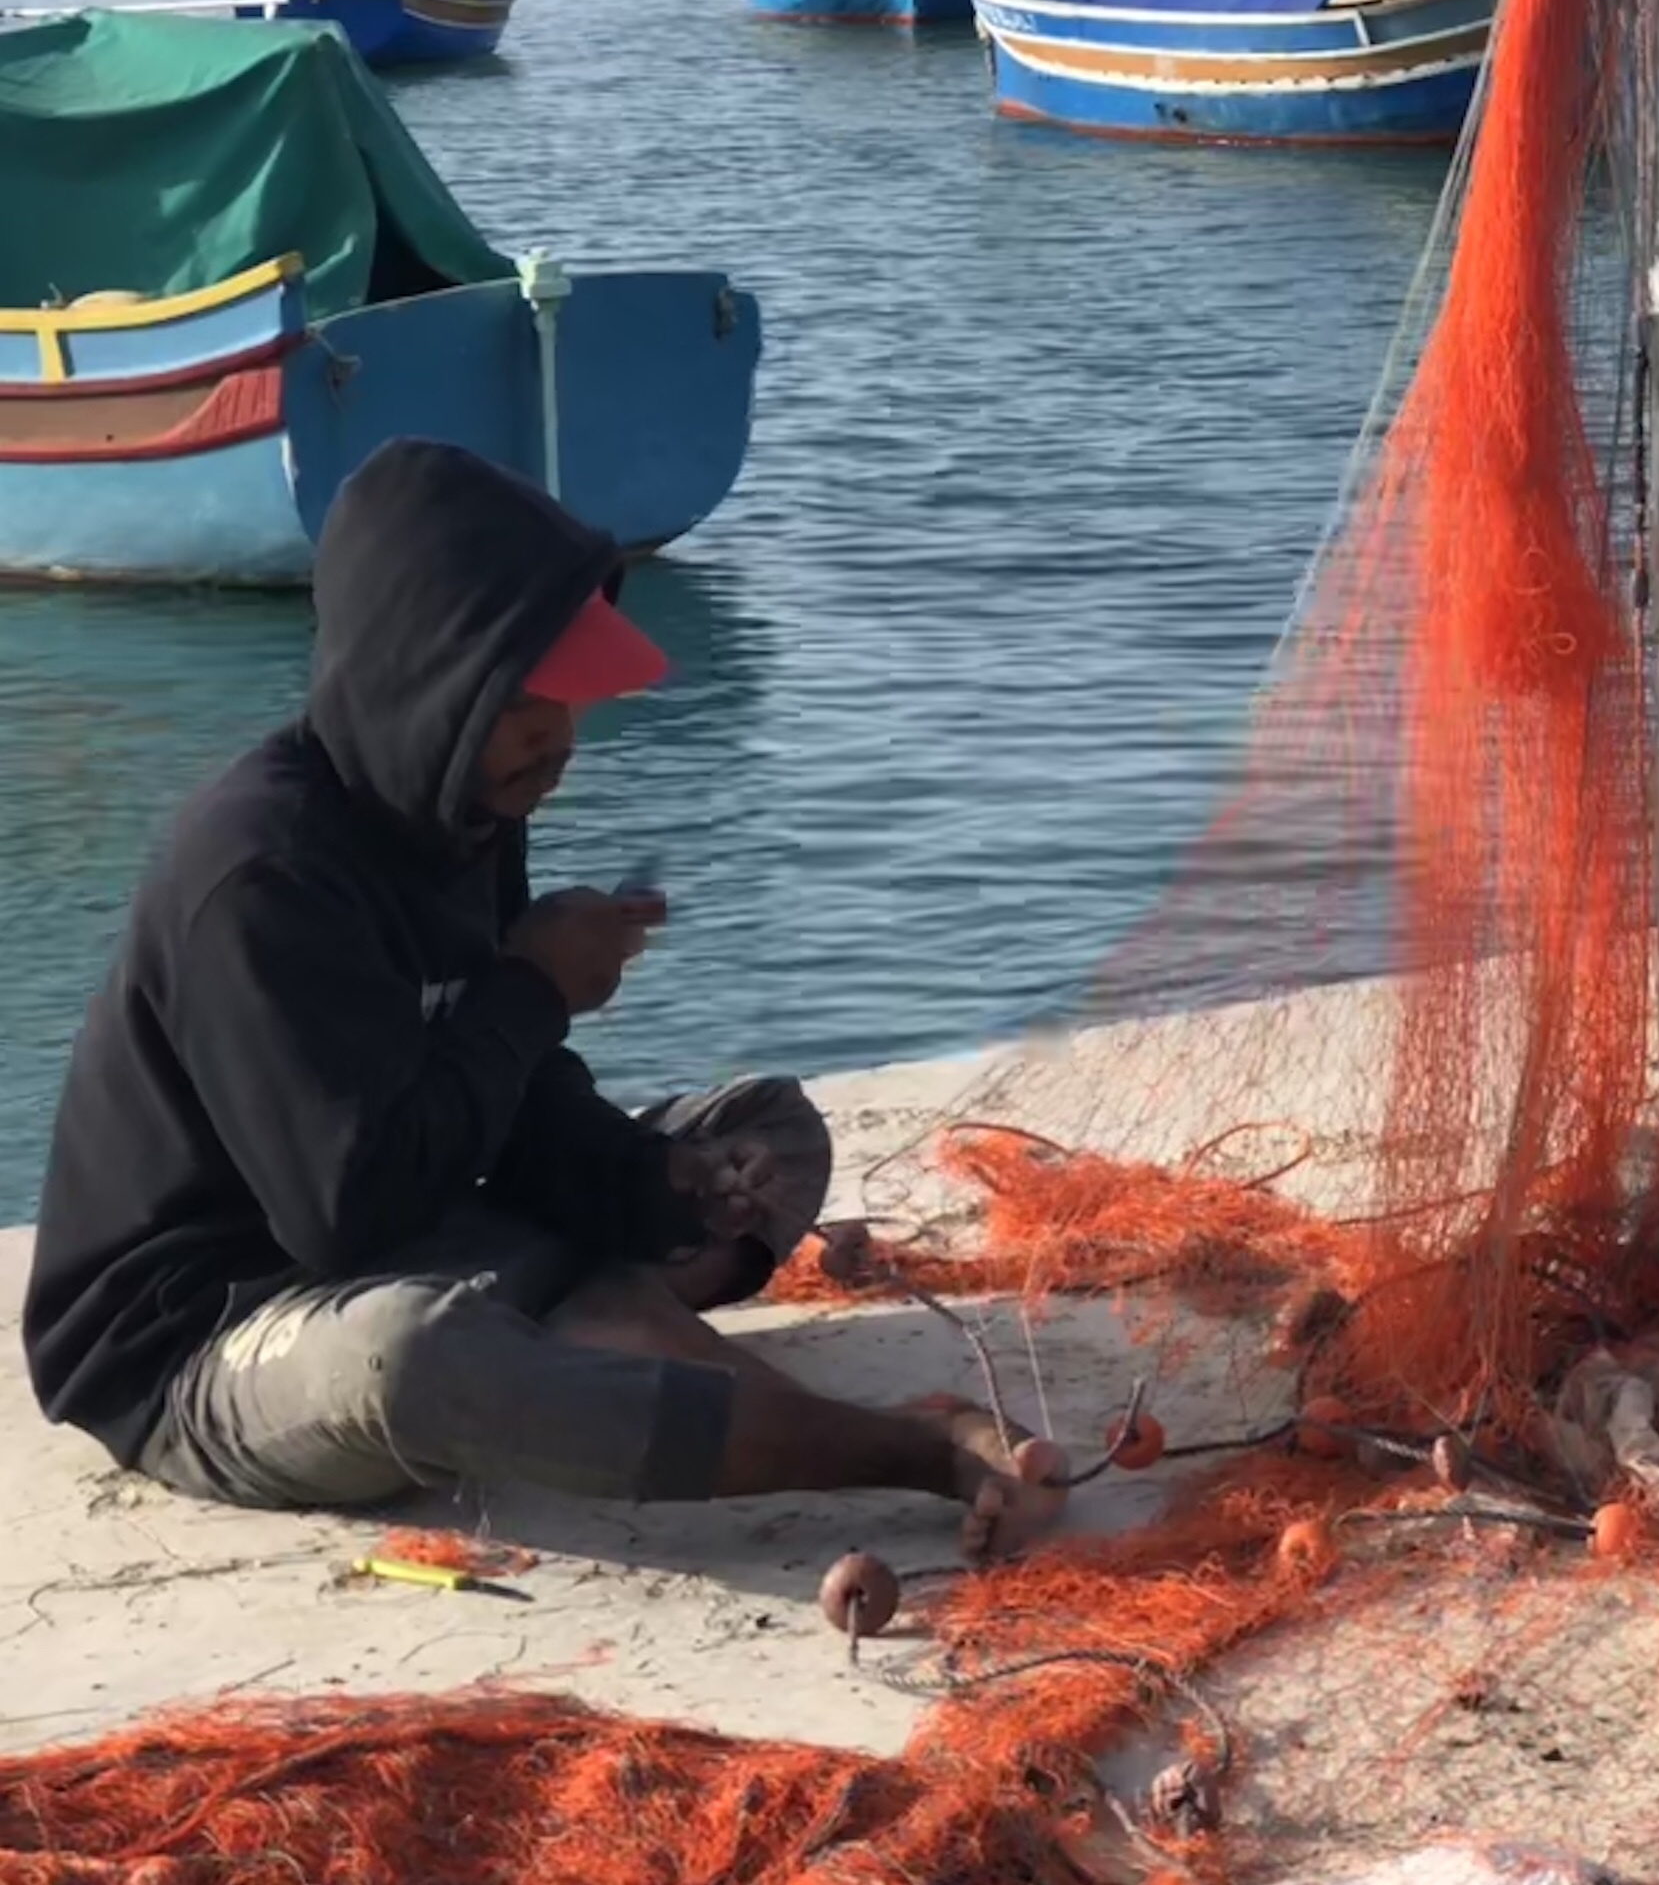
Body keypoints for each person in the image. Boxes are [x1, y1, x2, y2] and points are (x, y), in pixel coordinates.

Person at [21, 440, 1054, 1550]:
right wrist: (530, 988)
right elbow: (347, 1209)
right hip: (215, 1325)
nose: (558, 740)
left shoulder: (466, 808)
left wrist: (650, 1180)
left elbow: (498, 1097)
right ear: (426, 685)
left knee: (766, 1131)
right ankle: (896, 1444)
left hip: (429, 1224)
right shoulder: (261, 875)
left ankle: (594, 1311)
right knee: (415, 1355)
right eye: (522, 705)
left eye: (567, 701)